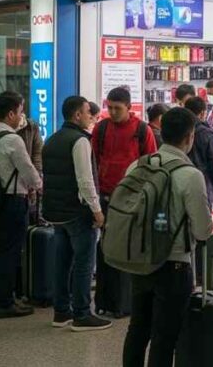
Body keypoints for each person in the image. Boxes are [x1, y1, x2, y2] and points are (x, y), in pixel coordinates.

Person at [122, 108, 213, 367]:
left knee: (137, 330)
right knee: (164, 338)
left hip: (139, 260)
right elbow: (202, 230)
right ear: (189, 136)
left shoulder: (137, 166)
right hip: (174, 266)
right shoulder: (190, 175)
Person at [43, 96, 111, 332]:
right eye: (86, 111)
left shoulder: (52, 139)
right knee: (83, 263)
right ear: (76, 115)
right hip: (77, 212)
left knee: (62, 263)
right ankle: (82, 313)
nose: (91, 116)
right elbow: (85, 179)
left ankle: (61, 312)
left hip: (56, 212)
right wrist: (97, 210)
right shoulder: (80, 141)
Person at [94, 87, 158, 318]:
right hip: (106, 196)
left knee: (129, 251)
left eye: (117, 108)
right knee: (106, 252)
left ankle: (125, 302)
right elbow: (95, 160)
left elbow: (151, 165)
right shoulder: (101, 128)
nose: (112, 112)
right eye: (109, 107)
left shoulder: (142, 130)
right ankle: (105, 300)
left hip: (133, 200)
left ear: (129, 108)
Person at [0, 91, 43, 319]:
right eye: (20, 111)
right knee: (10, 252)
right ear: (10, 114)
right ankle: (6, 302)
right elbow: (29, 171)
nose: (22, 116)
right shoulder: (12, 139)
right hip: (13, 200)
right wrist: (38, 185)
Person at [182, 96, 213, 207]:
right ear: (202, 113)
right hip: (203, 188)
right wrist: (212, 185)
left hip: (180, 185)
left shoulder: (179, 129)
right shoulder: (207, 134)